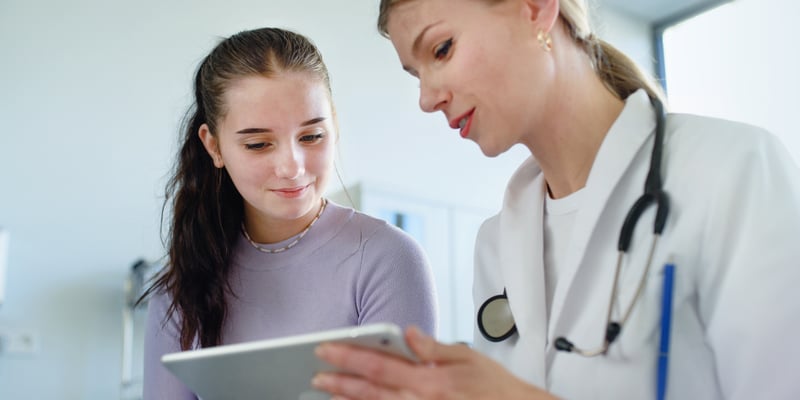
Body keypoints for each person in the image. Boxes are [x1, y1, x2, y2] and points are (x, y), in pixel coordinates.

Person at [311, 0, 800, 399]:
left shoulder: (734, 169)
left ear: (536, 8)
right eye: (415, 73)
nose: (427, 97)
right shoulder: (496, 241)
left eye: (441, 49)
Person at [141, 27, 437, 399]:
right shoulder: (179, 291)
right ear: (213, 147)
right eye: (259, 144)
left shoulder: (387, 259)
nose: (292, 167)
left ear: (335, 126)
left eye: (311, 136)